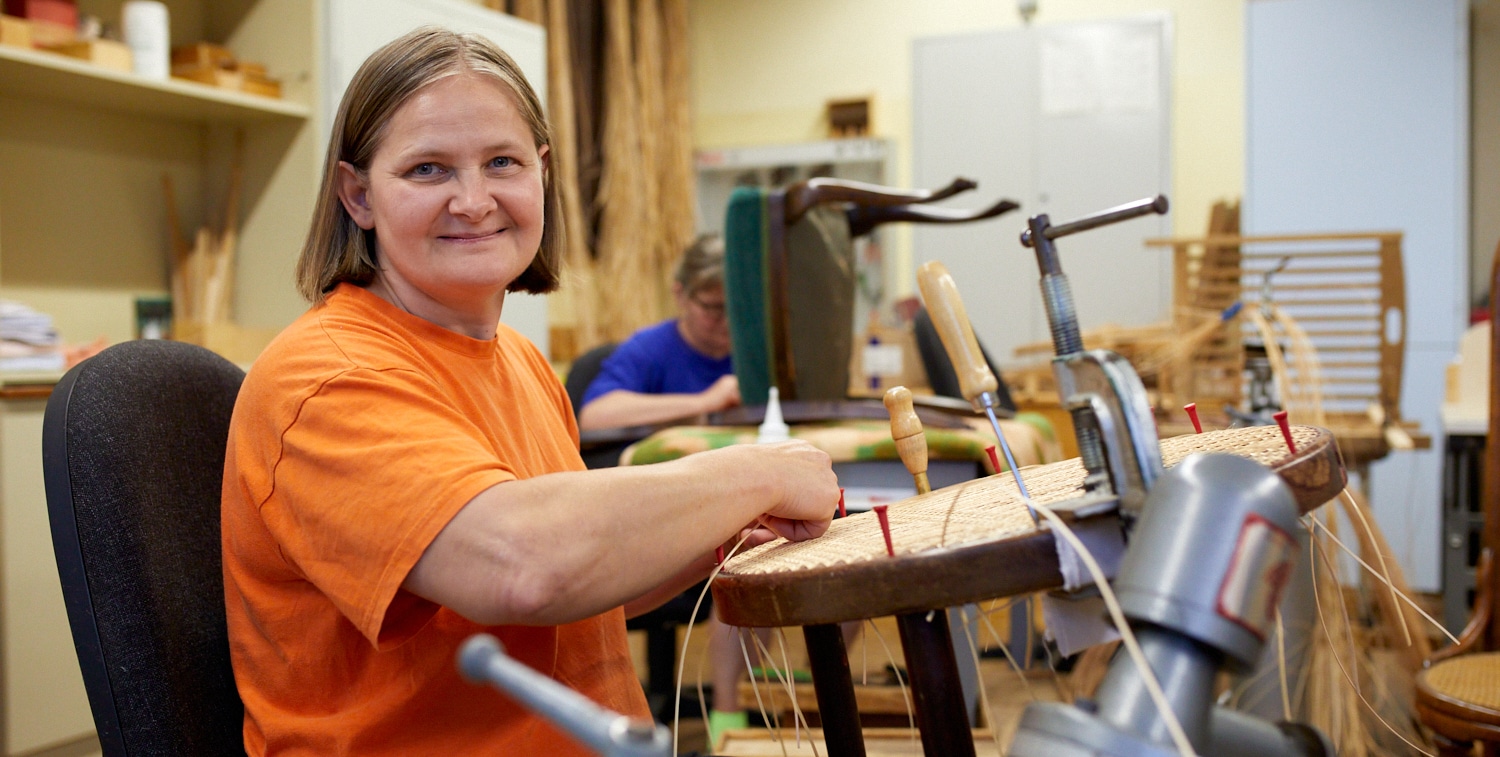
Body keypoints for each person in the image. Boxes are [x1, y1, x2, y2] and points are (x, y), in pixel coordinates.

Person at [220, 27, 837, 756]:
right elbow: (522, 568)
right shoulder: (324, 377)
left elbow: (577, 591)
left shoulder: (519, 359)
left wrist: (717, 532)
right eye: (428, 170)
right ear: (358, 195)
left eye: (502, 162)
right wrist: (756, 469)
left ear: (541, 173)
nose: (475, 200)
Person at [577, 234, 740, 431]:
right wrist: (704, 402)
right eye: (714, 308)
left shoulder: (762, 349)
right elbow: (594, 415)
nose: (729, 320)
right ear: (680, 296)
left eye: (739, 307)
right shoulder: (648, 348)